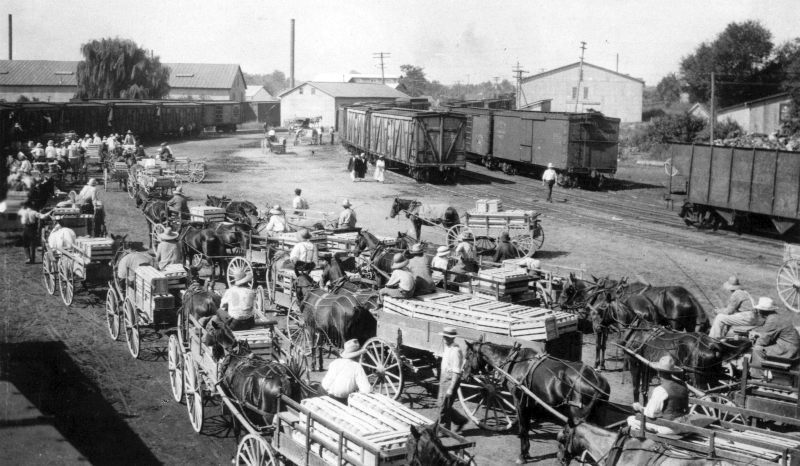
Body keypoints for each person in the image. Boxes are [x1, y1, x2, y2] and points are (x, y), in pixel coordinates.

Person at [627, 355, 691, 435]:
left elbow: (651, 413)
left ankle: (646, 441)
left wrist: (639, 407)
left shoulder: (660, 390)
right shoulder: (683, 384)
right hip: (685, 425)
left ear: (659, 372)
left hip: (670, 429)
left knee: (631, 419)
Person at [748, 297, 800, 379]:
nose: (758, 312)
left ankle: (758, 376)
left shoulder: (772, 319)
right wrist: (758, 334)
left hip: (787, 350)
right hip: (791, 346)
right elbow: (772, 334)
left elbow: (764, 341)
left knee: (757, 349)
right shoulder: (777, 316)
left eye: (759, 310)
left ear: (762, 311)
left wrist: (755, 340)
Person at [320, 339, 370, 404]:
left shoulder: (335, 362)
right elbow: (366, 390)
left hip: (322, 391)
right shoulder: (357, 366)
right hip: (338, 399)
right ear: (358, 356)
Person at [438, 327, 468, 432]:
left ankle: (443, 429)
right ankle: (460, 420)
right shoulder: (448, 347)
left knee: (443, 406)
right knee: (443, 404)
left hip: (450, 379)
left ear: (453, 338)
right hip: (444, 377)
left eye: (448, 337)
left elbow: (456, 372)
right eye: (444, 337)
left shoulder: (456, 350)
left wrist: (451, 387)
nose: (445, 339)